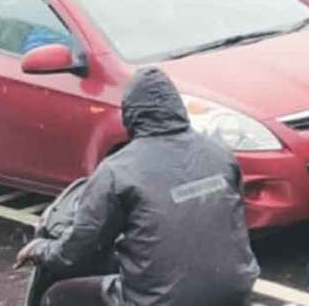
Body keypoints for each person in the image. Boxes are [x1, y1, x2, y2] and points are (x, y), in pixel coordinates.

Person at [14, 68, 260, 305]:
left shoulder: (117, 171)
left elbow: (77, 252)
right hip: (235, 289)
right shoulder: (220, 153)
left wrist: (42, 249)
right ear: (177, 107)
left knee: (58, 295)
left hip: (158, 300)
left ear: (129, 114)